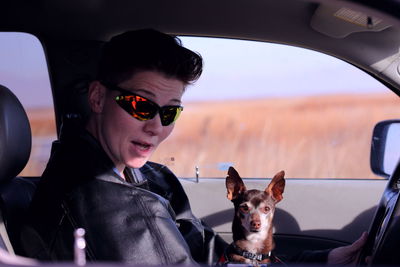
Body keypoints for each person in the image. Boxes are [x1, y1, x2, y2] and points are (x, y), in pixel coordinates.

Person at [23, 29, 366, 265]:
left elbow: (216, 254)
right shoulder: (110, 205)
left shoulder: (150, 176)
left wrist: (324, 260)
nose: (155, 126)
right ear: (98, 97)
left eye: (170, 111)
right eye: (141, 105)